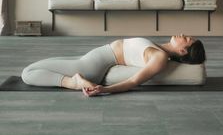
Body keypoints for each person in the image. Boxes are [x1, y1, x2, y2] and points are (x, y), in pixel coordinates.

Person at [21, 34, 206, 96]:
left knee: (28, 72)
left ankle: (73, 83)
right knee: (39, 66)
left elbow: (134, 81)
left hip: (92, 65)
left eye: (187, 39)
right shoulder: (158, 47)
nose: (182, 34)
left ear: (183, 51)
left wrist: (104, 90)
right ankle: (72, 81)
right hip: (91, 56)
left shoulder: (159, 58)